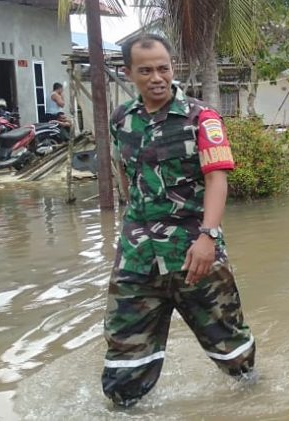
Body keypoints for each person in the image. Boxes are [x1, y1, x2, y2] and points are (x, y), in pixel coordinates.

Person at [101, 34, 256, 407]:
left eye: (163, 68)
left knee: (232, 352)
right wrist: (131, 227)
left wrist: (208, 236)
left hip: (194, 254)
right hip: (137, 257)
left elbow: (217, 178)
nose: (157, 77)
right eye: (146, 70)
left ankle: (253, 404)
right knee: (124, 360)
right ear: (129, 73)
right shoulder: (122, 119)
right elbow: (126, 177)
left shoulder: (201, 117)